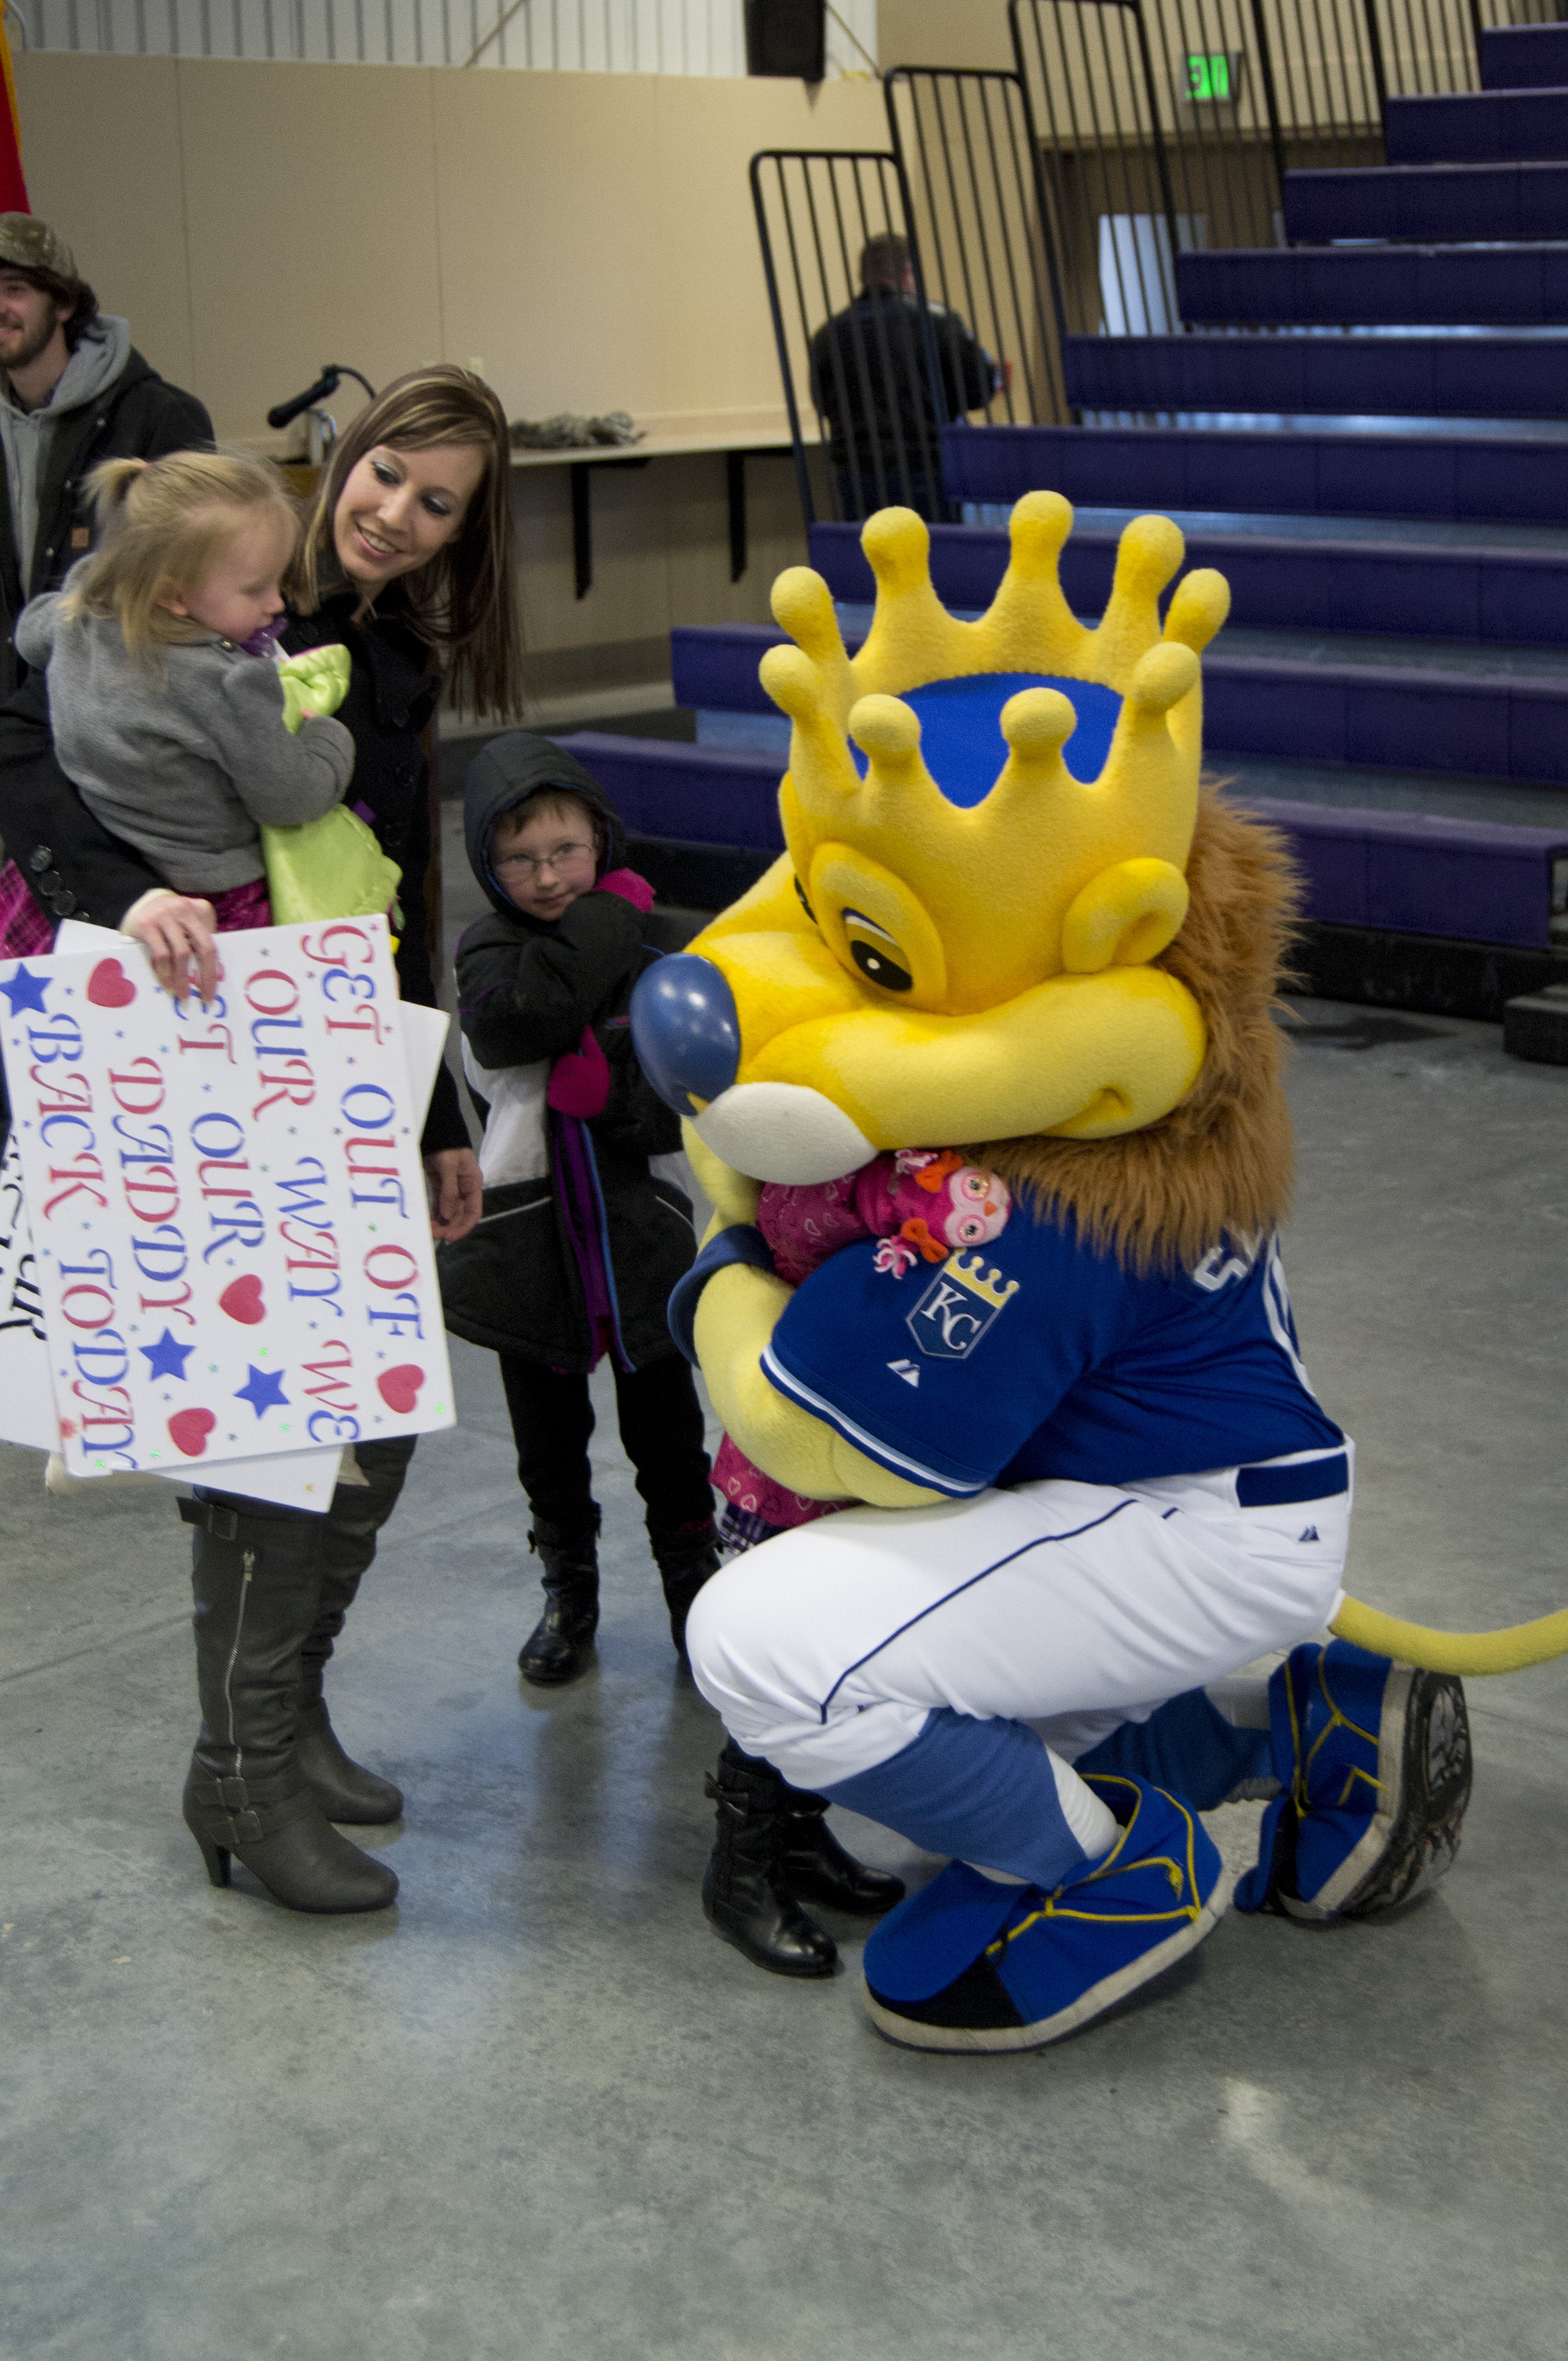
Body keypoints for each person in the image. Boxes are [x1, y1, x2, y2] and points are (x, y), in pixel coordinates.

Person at [0, 363, 523, 1916]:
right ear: (337, 461)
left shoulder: (388, 654)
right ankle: (236, 1769)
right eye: (385, 478)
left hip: (328, 1055)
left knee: (367, 1419)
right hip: (172, 1047)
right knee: (261, 1432)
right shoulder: (194, 579)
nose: (397, 517)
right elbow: (22, 753)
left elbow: (400, 891)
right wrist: (112, 894)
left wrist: (437, 1113)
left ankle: (281, 1728)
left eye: (438, 507)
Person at [437, 732, 722, 1685]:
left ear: (600, 839)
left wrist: (619, 1102)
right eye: (520, 858)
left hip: (636, 1238)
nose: (549, 875)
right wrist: (612, 912)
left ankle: (695, 1587)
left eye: (567, 852)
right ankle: (570, 1591)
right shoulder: (489, 947)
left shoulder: (657, 947)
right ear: (487, 862)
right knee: (548, 1445)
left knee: (669, 1437)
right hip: (531, 1248)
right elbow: (521, 1017)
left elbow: (681, 1098)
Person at [3, 448, 353, 957]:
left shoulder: (81, 610)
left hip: (94, 879)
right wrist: (328, 736)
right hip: (205, 903)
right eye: (256, 589)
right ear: (173, 597)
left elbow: (30, 635)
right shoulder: (230, 687)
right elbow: (289, 798)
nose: (277, 603)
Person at [0, 212, 212, 695]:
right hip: (14, 715)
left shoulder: (160, 417)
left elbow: (190, 586)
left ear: (64, 304)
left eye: (15, 289)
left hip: (116, 711)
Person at [808, 232, 999, 522]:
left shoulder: (828, 334)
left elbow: (823, 404)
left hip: (856, 475)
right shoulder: (936, 322)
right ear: (908, 271)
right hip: (924, 469)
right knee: (930, 560)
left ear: (863, 275)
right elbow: (978, 390)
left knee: (870, 562)